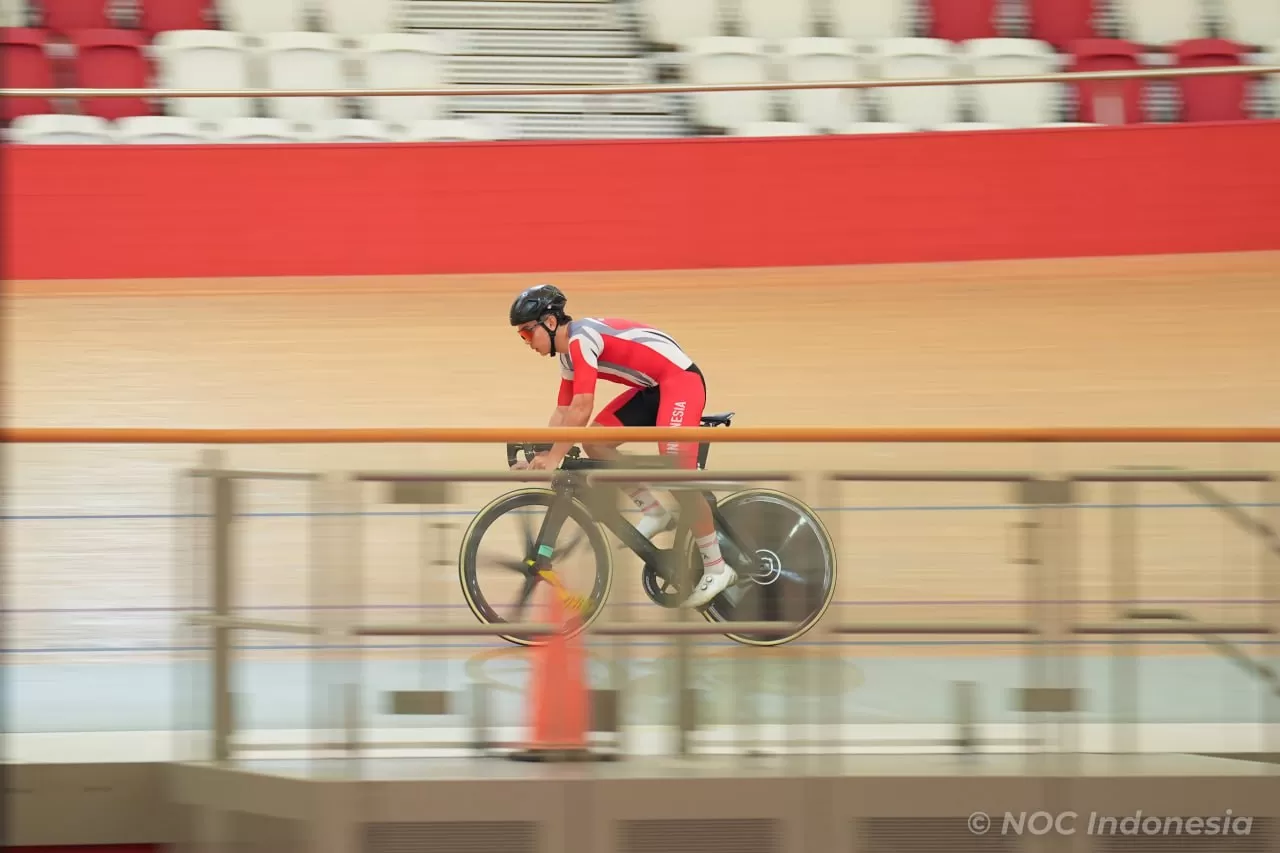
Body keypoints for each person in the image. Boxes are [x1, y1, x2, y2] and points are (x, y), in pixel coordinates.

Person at [507, 283, 735, 609]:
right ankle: (653, 510)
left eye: (528, 334)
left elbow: (583, 406)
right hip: (654, 388)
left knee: (675, 468)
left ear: (551, 321)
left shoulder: (580, 339)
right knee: (595, 443)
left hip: (680, 382)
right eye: (522, 337)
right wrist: (541, 453)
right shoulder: (569, 356)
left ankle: (717, 566)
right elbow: (564, 412)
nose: (527, 343)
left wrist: (555, 455)